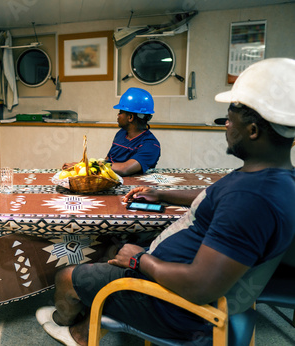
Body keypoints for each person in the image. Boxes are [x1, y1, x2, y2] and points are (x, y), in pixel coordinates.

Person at [37, 58, 295, 345]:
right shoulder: (272, 178)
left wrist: (138, 259)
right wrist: (162, 194)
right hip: (168, 275)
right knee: (112, 248)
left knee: (66, 276)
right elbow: (212, 196)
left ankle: (70, 329)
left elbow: (199, 286)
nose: (225, 126)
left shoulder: (251, 199)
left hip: (174, 309)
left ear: (254, 130)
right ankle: (90, 315)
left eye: (230, 119)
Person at [62, 87, 161, 176]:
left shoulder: (151, 145)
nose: (117, 116)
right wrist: (84, 168)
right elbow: (107, 161)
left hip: (131, 191)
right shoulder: (121, 134)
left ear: (130, 117)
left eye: (120, 112)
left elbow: (124, 169)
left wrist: (84, 165)